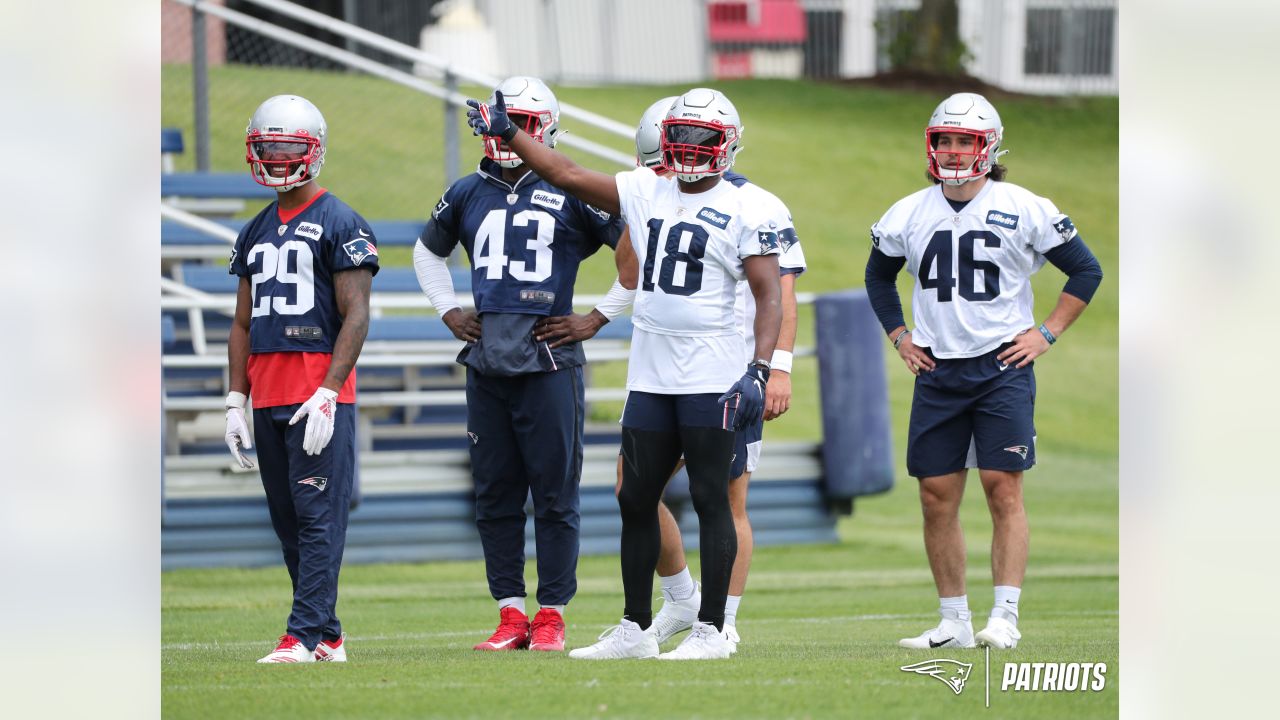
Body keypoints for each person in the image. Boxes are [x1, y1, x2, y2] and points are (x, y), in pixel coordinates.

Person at [468, 86, 783, 661]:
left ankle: (712, 630)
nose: (689, 150)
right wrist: (509, 132)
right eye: (680, 137)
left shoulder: (753, 205)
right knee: (634, 498)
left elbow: (768, 296)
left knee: (712, 498)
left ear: (728, 145)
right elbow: (562, 170)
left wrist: (760, 369)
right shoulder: (643, 188)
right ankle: (636, 628)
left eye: (702, 139)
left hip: (711, 371)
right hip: (652, 371)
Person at [863, 93, 1103, 650]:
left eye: (963, 141)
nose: (951, 150)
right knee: (935, 496)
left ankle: (1004, 617)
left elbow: (1085, 271)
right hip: (939, 369)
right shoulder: (907, 212)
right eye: (943, 139)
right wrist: (900, 336)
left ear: (988, 146)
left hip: (1001, 367)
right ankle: (952, 621)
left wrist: (1045, 334)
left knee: (1003, 489)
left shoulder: (1024, 205)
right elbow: (879, 278)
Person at [413, 76, 631, 653]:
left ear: (549, 127)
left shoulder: (572, 189)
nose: (513, 134)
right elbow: (425, 252)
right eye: (508, 121)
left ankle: (552, 613)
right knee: (495, 493)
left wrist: (597, 317)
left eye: (528, 123)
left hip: (550, 360)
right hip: (487, 360)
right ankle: (511, 613)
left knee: (555, 493)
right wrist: (449, 311)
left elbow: (637, 249)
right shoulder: (465, 191)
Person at [224, 94, 377, 664]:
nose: (278, 158)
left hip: (317, 390)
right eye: (269, 148)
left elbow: (356, 314)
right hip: (266, 391)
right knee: (289, 523)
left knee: (317, 518)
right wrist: (236, 399)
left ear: (314, 151)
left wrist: (329, 391)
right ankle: (329, 636)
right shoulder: (255, 229)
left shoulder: (340, 220)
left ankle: (303, 634)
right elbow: (242, 322)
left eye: (289, 147)